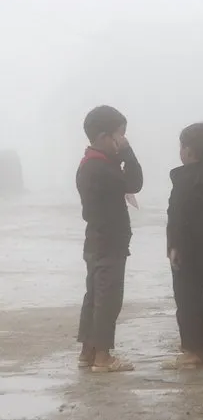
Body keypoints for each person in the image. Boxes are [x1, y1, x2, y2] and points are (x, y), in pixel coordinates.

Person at [76, 105, 143, 372]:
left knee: (94, 296)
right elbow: (134, 183)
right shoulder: (100, 167)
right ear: (105, 136)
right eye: (120, 135)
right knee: (108, 298)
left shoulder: (90, 163)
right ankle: (103, 357)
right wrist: (128, 153)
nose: (123, 140)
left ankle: (88, 351)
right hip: (108, 242)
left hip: (95, 240)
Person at [164, 122, 203, 369]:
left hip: (189, 249)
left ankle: (195, 351)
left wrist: (174, 247)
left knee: (188, 300)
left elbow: (177, 215)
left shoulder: (184, 179)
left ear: (187, 150)